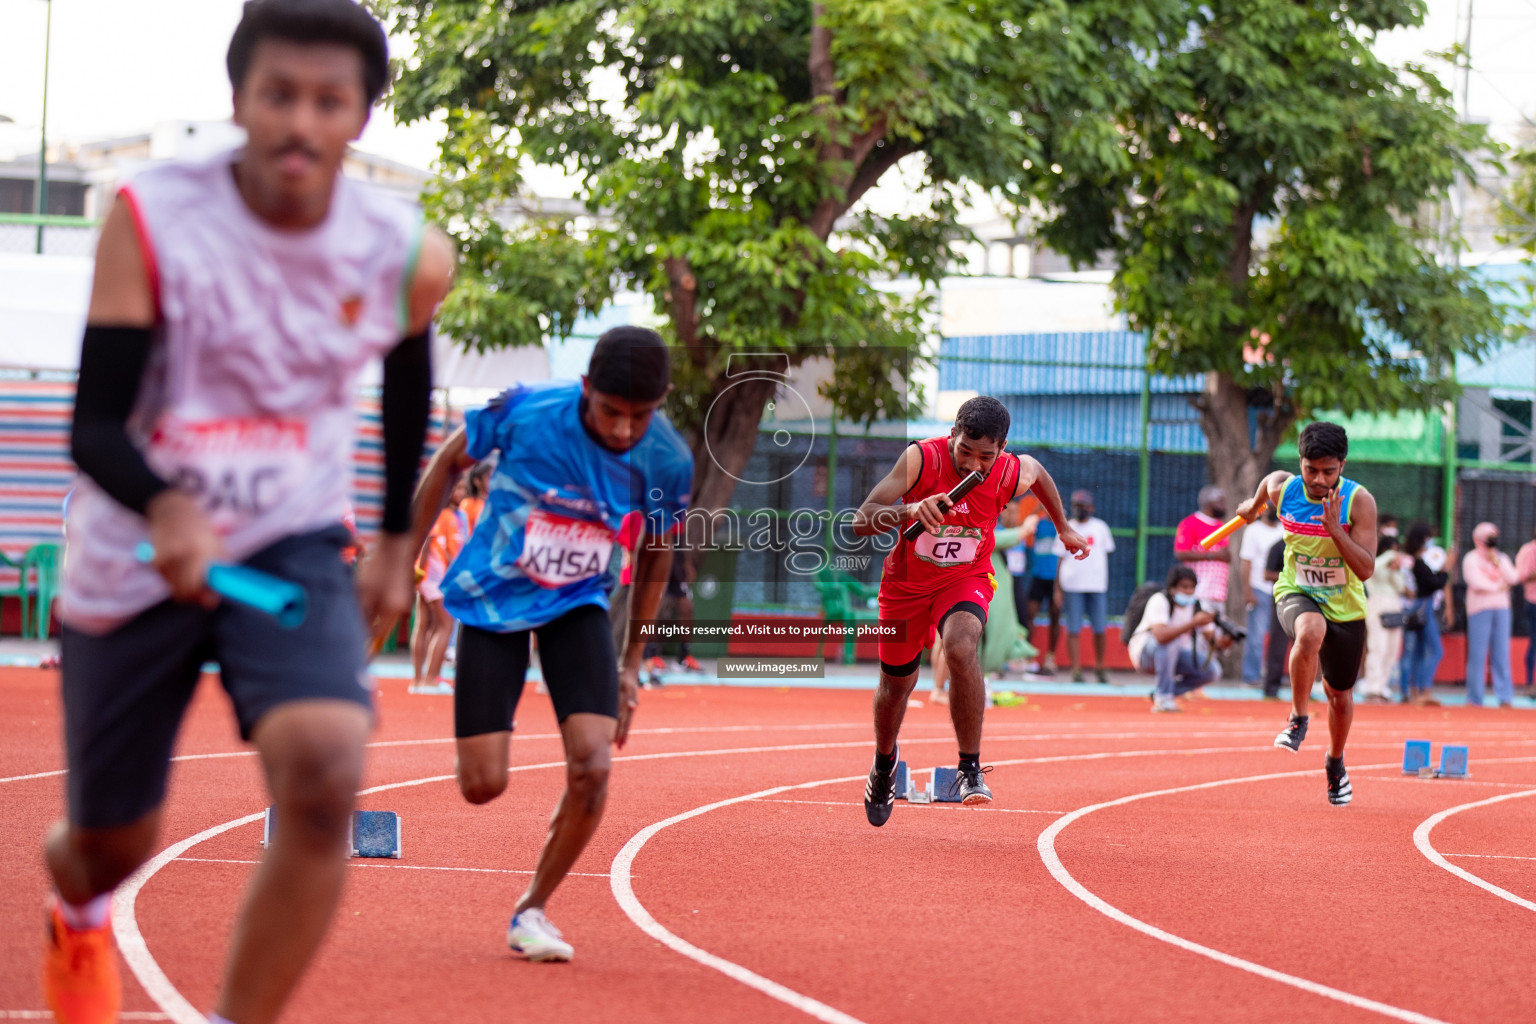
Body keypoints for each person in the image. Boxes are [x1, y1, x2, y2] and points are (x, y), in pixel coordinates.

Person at [42, 4, 455, 1023]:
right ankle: (78, 900)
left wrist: (398, 542)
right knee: (112, 842)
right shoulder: (150, 219)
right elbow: (94, 427)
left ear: (362, 115)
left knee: (324, 765)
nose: (300, 126)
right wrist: (168, 504)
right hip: (136, 543)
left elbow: (407, 396)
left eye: (329, 101)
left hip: (288, 536)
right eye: (278, 96)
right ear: (238, 100)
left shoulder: (405, 252)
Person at [408, 326, 691, 961]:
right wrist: (409, 548)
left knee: (593, 766)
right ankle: (483, 749)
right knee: (482, 785)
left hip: (576, 605)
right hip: (491, 601)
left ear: (661, 402)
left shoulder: (666, 457)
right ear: (586, 389)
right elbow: (451, 459)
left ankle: (531, 908)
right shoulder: (528, 410)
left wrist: (630, 662)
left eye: (639, 416)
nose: (623, 430)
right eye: (610, 412)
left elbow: (656, 550)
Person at [853, 397, 1086, 823]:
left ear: (1002, 448)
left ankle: (969, 767)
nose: (974, 465)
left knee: (961, 647)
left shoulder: (1009, 471)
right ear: (953, 434)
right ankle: (883, 764)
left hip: (965, 578)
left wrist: (1064, 526)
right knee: (895, 687)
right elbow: (860, 519)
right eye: (965, 451)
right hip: (906, 587)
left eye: (986, 456)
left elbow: (1038, 472)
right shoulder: (920, 459)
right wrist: (908, 510)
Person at [1234, 421, 1378, 806]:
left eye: (1327, 472)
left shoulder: (1358, 502)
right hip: (1296, 590)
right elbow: (1269, 482)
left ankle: (1335, 761)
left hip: (1346, 606)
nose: (1317, 480)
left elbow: (1365, 570)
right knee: (1309, 631)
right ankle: (1298, 718)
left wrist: (1336, 530)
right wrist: (1252, 505)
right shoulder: (1286, 490)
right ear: (1300, 462)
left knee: (1340, 696)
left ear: (1342, 466)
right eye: (1310, 469)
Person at [1127, 565, 1228, 711]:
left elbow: (1213, 642)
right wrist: (1193, 623)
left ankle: (1164, 693)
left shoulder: (1198, 606)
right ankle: (1163, 698)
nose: (1188, 592)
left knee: (1212, 671)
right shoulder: (1160, 600)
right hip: (1145, 654)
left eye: (1192, 587)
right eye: (1184, 587)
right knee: (1170, 641)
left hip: (1173, 655)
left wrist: (1226, 641)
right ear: (1172, 588)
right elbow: (1161, 637)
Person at [1054, 490, 1115, 683]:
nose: (1080, 510)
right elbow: (1059, 560)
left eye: (1084, 506)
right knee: (1073, 628)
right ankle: (1076, 670)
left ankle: (1099, 666)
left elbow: (1105, 554)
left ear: (1092, 507)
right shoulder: (1066, 527)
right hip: (1072, 585)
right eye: (1077, 506)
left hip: (1096, 586)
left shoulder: (1100, 528)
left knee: (1100, 628)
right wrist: (1057, 589)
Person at [1462, 522, 1521, 708]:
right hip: (1479, 610)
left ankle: (1505, 696)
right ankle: (1474, 697)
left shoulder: (1501, 558)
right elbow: (1476, 582)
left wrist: (1497, 562)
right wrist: (1498, 587)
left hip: (1502, 609)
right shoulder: (1471, 559)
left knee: (1501, 654)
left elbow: (1513, 578)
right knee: (1478, 655)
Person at [982, 497, 1038, 675]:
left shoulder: (1007, 532)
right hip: (987, 591)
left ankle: (995, 667)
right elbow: (1013, 535)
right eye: (1009, 511)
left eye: (1015, 512)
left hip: (1010, 584)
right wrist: (1029, 522)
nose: (1012, 515)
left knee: (1014, 622)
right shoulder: (989, 534)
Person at [1400, 522, 1449, 705]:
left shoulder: (1413, 561)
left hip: (1415, 606)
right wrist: (1445, 569)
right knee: (1435, 650)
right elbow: (1434, 583)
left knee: (1417, 651)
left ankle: (1412, 691)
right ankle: (1424, 690)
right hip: (1423, 606)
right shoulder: (1418, 563)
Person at [1360, 532, 1409, 703]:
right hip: (1377, 604)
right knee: (1377, 646)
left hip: (1394, 605)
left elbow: (1401, 587)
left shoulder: (1392, 568)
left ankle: (1382, 687)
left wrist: (1395, 570)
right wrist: (1388, 556)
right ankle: (1372, 688)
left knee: (1392, 650)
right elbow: (1371, 570)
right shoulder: (1375, 563)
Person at [1238, 505, 1284, 686]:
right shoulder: (1253, 531)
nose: (1271, 511)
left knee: (1277, 638)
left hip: (1281, 589)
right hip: (1259, 587)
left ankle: (1273, 677)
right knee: (1257, 636)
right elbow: (1246, 562)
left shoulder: (1285, 530)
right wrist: (1247, 591)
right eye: (1268, 508)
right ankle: (1251, 677)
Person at [1175, 485, 1232, 604]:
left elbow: (1226, 556)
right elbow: (1180, 553)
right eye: (1221, 502)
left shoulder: (1221, 526)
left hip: (1218, 591)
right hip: (1198, 589)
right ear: (1209, 503)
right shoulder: (1190, 523)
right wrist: (1212, 555)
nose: (1224, 506)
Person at [1023, 511, 1062, 675]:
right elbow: (1024, 531)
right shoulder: (1037, 523)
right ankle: (1028, 655)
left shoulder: (1061, 525)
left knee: (1055, 616)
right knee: (1030, 614)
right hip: (1038, 575)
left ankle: (1051, 657)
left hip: (1055, 578)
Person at [1261, 536, 1290, 699]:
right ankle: (1271, 689)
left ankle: (1305, 691)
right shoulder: (1279, 546)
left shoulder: (1308, 543)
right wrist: (1293, 577)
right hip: (1283, 599)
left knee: (1309, 645)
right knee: (1278, 644)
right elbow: (1267, 574)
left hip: (1309, 598)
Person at [1517, 525, 1536, 688]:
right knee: (1534, 642)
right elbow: (1520, 576)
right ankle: (1530, 682)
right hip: (1533, 601)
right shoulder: (1528, 550)